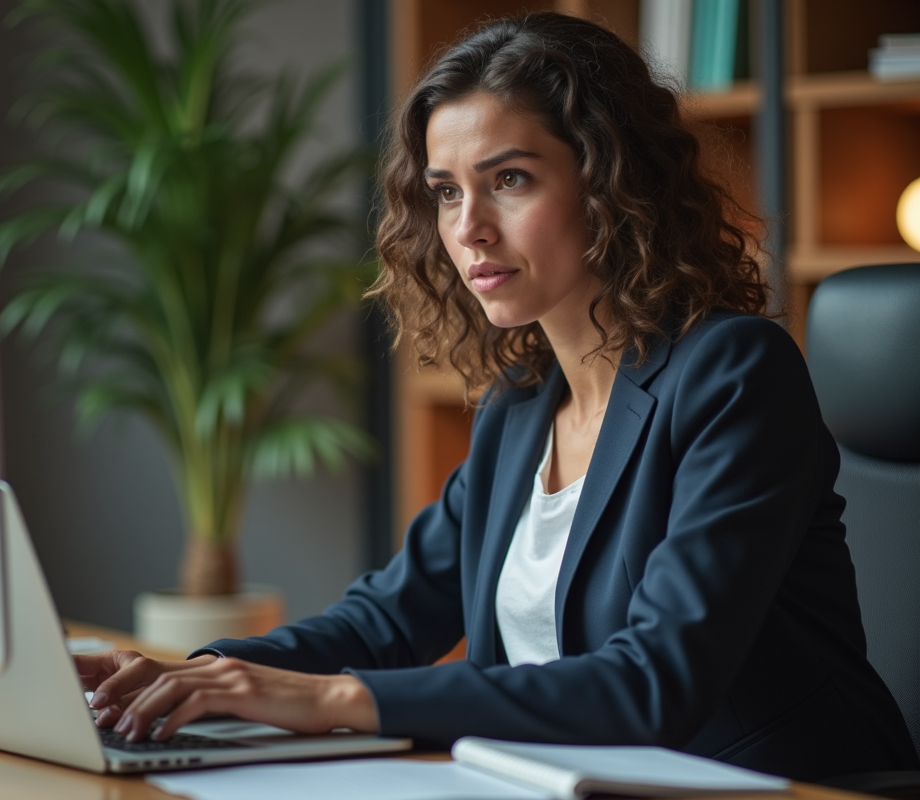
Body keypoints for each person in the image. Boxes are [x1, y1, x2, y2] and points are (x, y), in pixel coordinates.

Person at [74, 12, 919, 781]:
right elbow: (386, 620)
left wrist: (331, 702)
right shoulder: (521, 409)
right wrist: (196, 675)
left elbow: (655, 682)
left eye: (509, 179)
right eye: (446, 191)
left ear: (609, 183)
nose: (468, 227)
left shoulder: (734, 373)